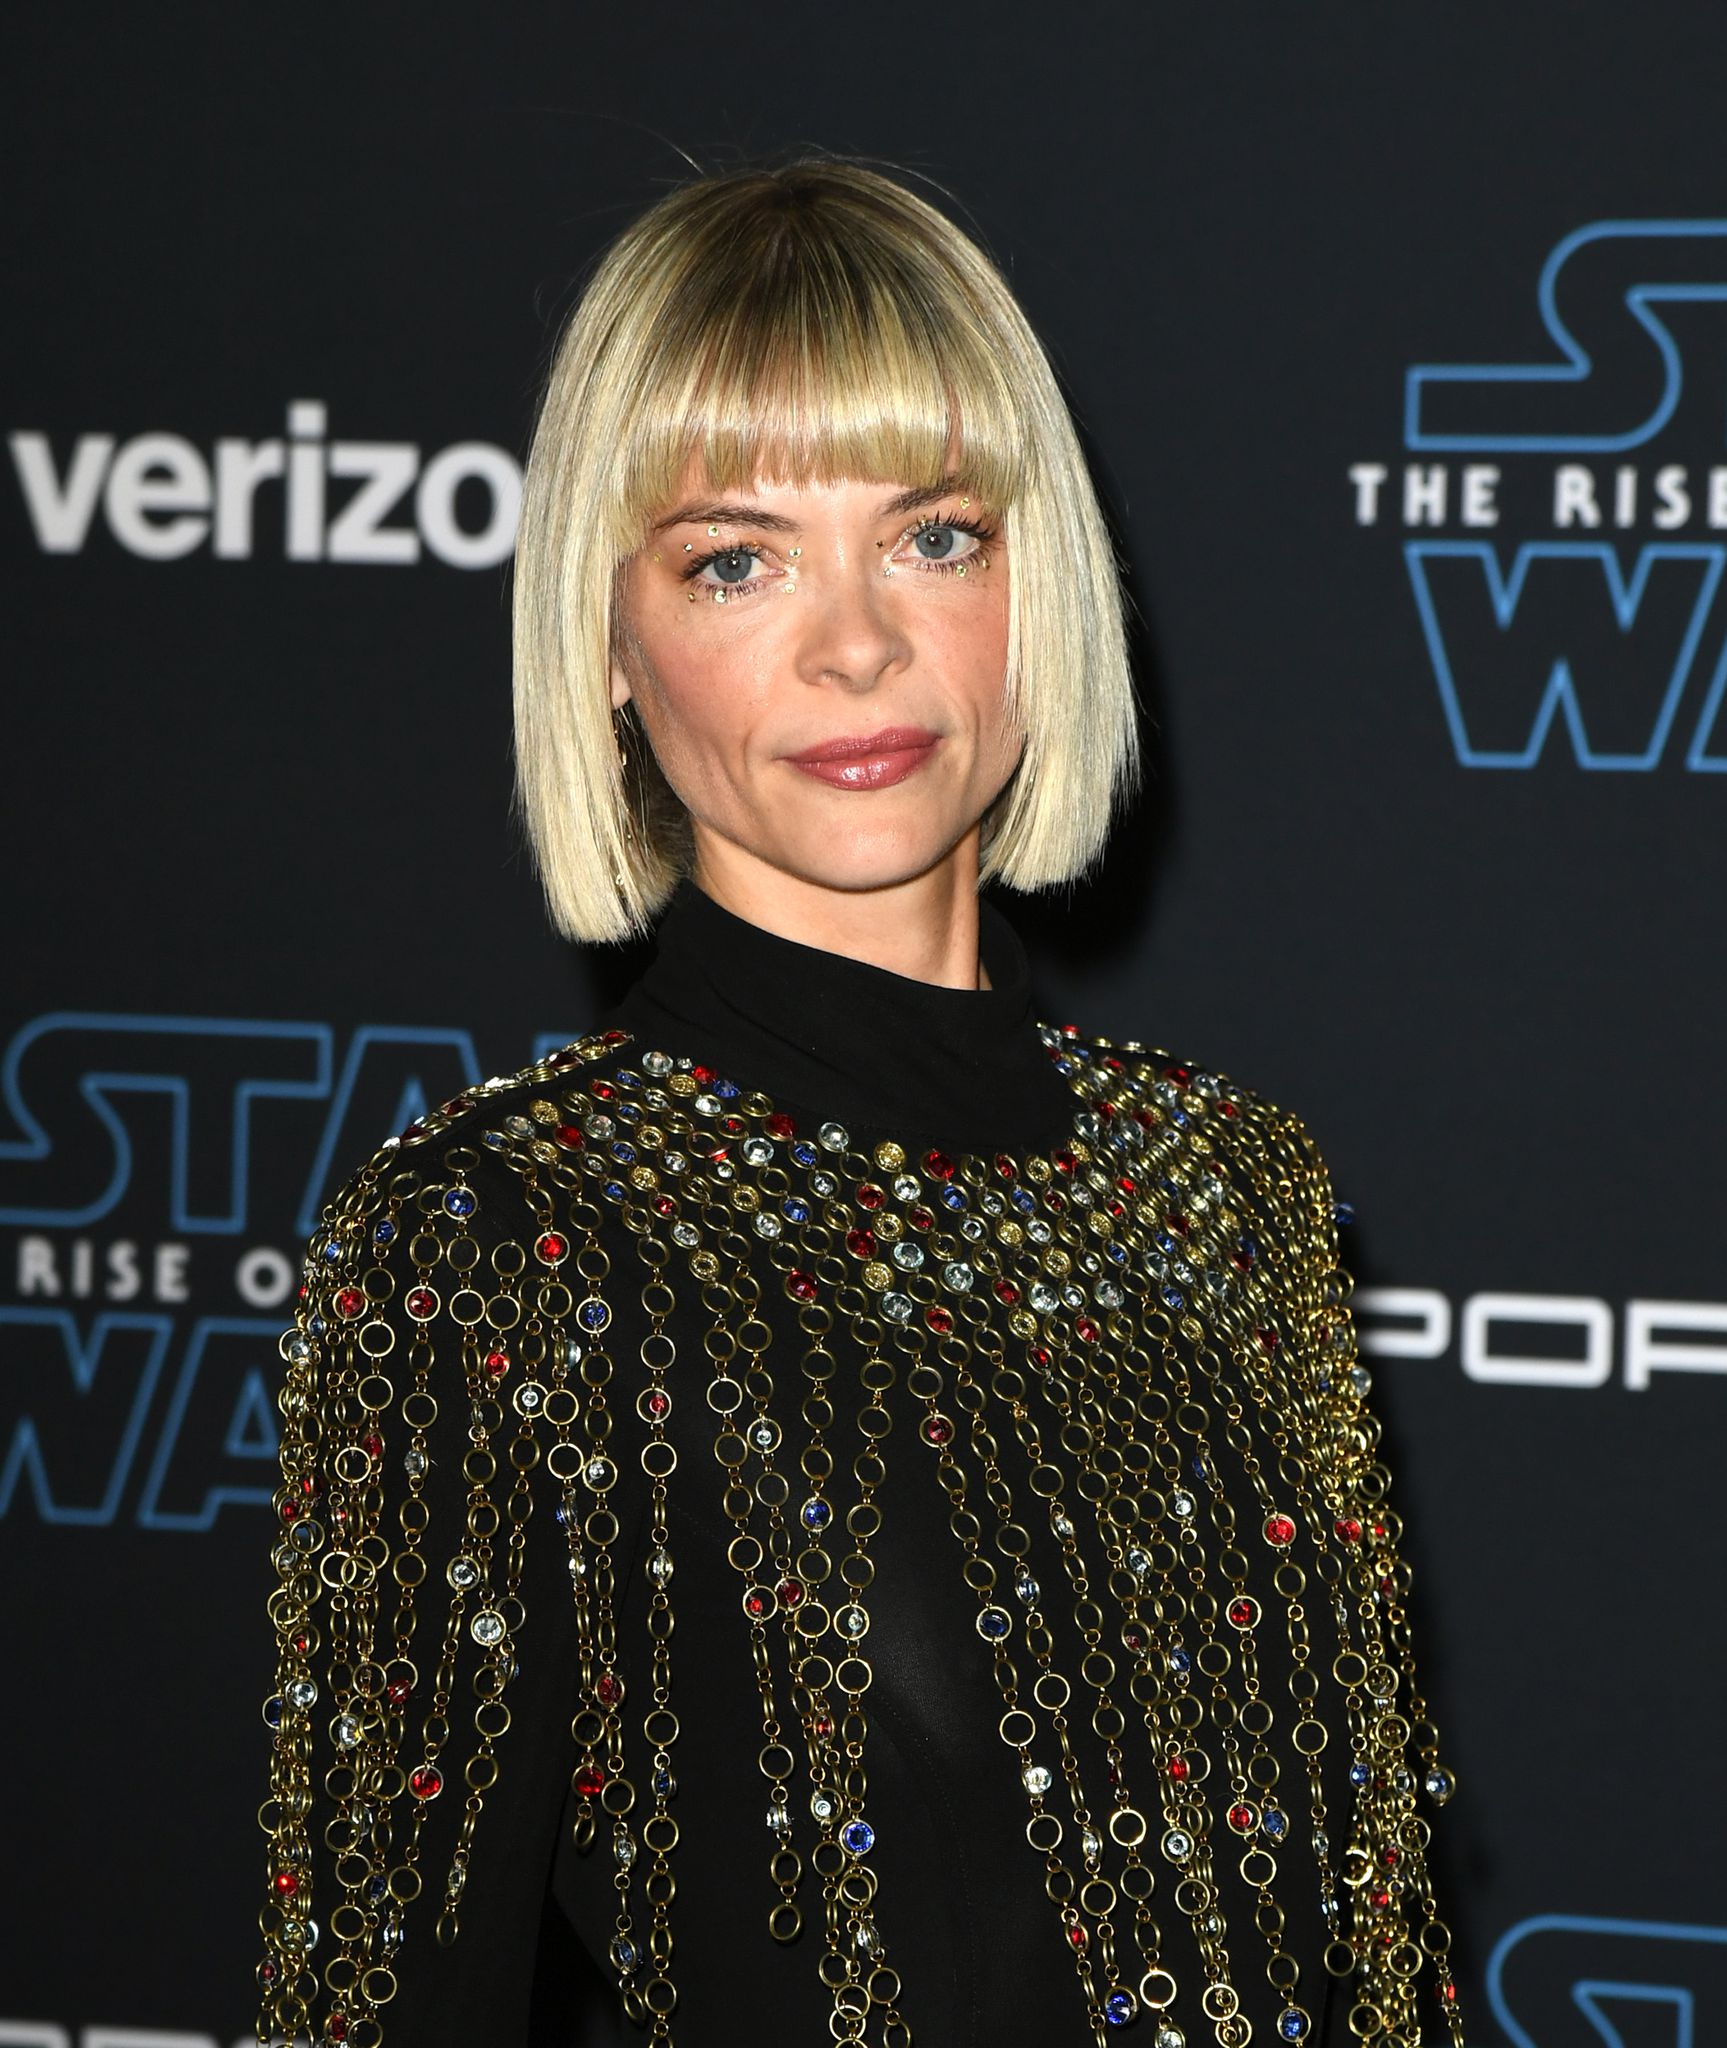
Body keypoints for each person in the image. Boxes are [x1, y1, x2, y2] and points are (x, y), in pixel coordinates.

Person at [255, 160, 1464, 2048]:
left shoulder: (1226, 1183)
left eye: (935, 537)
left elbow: (1382, 1959)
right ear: (609, 645)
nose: (858, 644)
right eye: (735, 560)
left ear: (1036, 584)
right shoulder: (502, 1249)